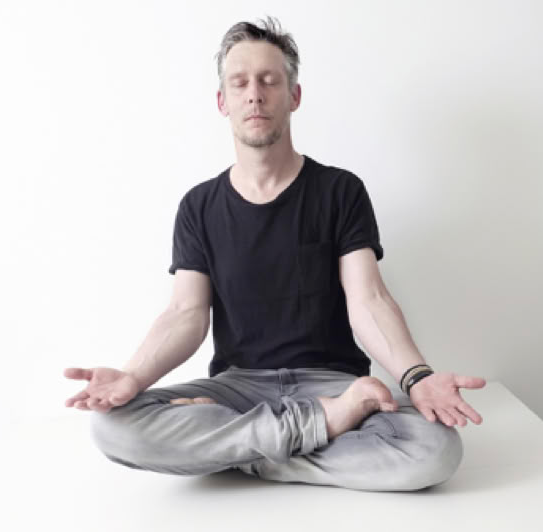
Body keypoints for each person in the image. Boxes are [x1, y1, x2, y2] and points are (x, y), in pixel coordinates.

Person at [63, 16, 486, 491]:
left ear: (294, 96)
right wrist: (131, 377)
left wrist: (417, 378)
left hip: (333, 382)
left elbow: (369, 299)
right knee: (113, 427)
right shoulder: (199, 206)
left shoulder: (340, 191)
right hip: (238, 389)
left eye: (269, 80)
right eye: (240, 83)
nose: (254, 95)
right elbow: (185, 313)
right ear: (222, 102)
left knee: (435, 449)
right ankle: (320, 425)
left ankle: (241, 450)